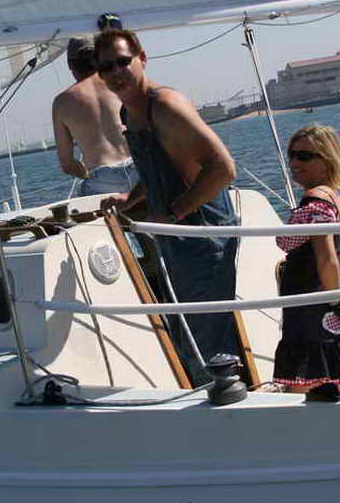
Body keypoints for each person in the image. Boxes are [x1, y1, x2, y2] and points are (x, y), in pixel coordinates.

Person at [93, 28, 240, 382]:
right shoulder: (129, 113)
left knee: (207, 341)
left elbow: (223, 169)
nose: (116, 72)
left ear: (142, 58)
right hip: (176, 241)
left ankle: (228, 401)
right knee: (188, 335)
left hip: (204, 239)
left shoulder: (166, 107)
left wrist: (174, 213)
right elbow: (158, 168)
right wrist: (131, 198)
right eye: (106, 67)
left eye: (123, 61)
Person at [273, 124, 340, 398]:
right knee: (333, 377)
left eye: (304, 156)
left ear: (327, 159)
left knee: (302, 379)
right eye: (292, 155)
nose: (294, 163)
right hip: (329, 302)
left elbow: (328, 258)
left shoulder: (314, 203)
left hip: (311, 304)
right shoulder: (333, 198)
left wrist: (335, 300)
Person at [52, 36, 137, 196]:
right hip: (139, 171)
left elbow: (67, 164)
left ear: (70, 65)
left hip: (103, 179)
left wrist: (88, 175)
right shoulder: (121, 84)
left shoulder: (61, 102)